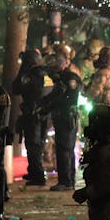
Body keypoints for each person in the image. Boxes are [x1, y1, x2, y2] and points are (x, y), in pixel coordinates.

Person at [42, 52, 82, 191]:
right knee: (64, 149)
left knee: (65, 149)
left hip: (67, 117)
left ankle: (66, 181)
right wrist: (45, 105)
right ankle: (67, 181)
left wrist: (49, 105)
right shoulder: (62, 78)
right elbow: (54, 95)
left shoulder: (70, 78)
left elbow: (65, 98)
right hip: (62, 117)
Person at [11, 49, 51, 186]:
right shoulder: (45, 73)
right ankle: (34, 171)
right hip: (43, 114)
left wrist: (22, 71)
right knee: (37, 144)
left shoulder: (30, 74)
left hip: (33, 115)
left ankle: (38, 175)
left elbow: (16, 88)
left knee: (33, 145)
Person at [86, 46, 110, 117]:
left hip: (101, 108)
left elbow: (94, 91)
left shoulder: (102, 74)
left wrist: (87, 95)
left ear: (105, 59)